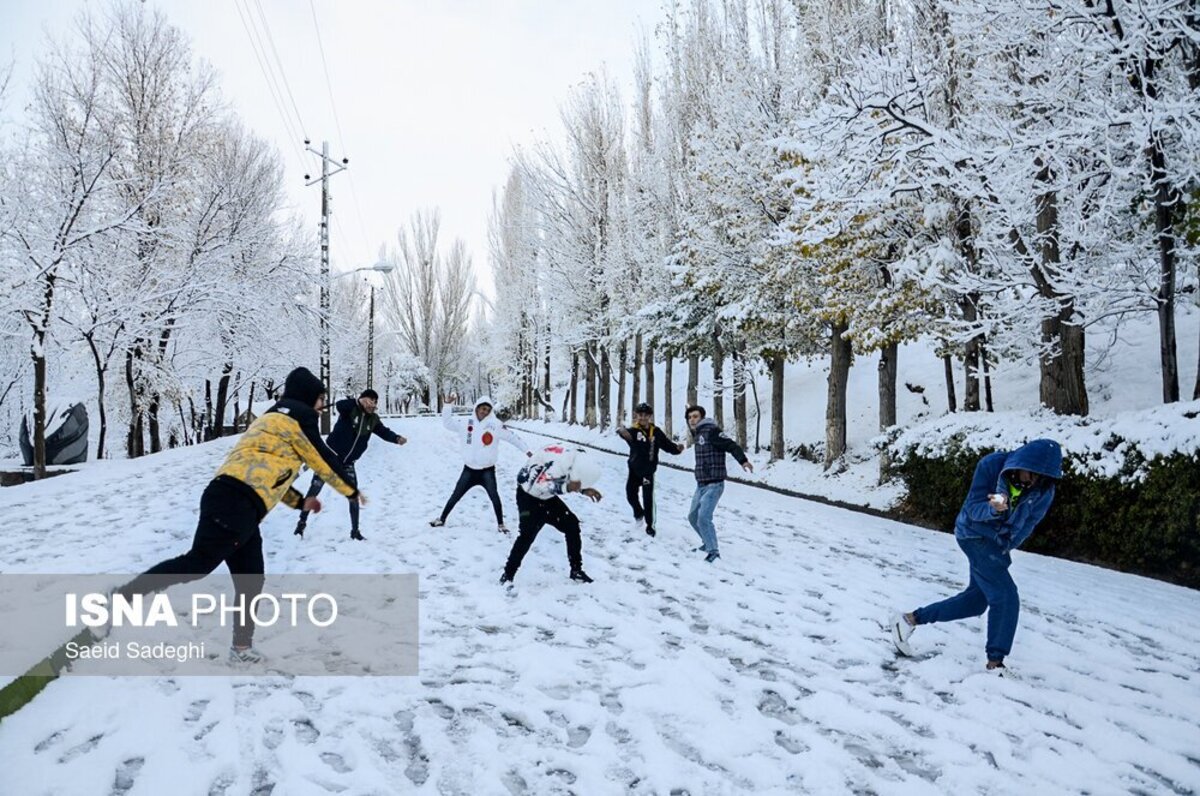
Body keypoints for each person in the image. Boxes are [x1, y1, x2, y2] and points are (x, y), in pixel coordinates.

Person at [120, 367, 365, 663]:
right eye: (320, 398)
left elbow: (267, 475)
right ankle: (125, 595)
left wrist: (300, 503)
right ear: (308, 397)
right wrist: (351, 491)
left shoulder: (269, 421)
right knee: (198, 563)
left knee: (251, 579)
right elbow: (324, 461)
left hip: (230, 497)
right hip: (237, 504)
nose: (321, 404)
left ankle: (241, 648)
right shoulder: (301, 421)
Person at [890, 439, 1063, 672]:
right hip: (972, 534)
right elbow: (972, 509)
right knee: (1006, 596)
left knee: (975, 602)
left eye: (1041, 477)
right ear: (1022, 463)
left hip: (997, 544)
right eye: (1031, 474)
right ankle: (995, 665)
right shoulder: (992, 466)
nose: (1032, 481)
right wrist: (993, 509)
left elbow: (1028, 524)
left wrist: (1006, 546)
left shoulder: (1044, 490)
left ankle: (909, 620)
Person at [294, 388, 405, 541]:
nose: (372, 404)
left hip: (348, 463)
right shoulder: (350, 409)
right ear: (363, 399)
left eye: (374, 401)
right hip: (330, 458)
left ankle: (355, 531)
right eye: (369, 400)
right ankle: (302, 522)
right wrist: (357, 402)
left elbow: (383, 431)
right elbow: (340, 405)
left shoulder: (372, 419)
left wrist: (396, 438)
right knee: (315, 488)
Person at [500, 444, 602, 585]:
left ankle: (576, 570)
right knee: (526, 536)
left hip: (547, 498)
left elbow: (570, 478)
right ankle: (508, 575)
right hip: (528, 496)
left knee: (572, 525)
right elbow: (539, 484)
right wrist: (567, 487)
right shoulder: (557, 464)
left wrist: (583, 490)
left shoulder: (573, 458)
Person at [429, 396, 531, 533]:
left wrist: (527, 451)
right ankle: (442, 519)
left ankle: (501, 525)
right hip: (469, 470)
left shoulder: (495, 424)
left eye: (488, 410)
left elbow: (512, 437)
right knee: (455, 495)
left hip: (487, 472)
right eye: (483, 408)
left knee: (494, 497)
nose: (485, 411)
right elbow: (447, 423)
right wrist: (447, 406)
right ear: (477, 407)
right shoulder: (466, 422)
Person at [685, 405, 753, 562]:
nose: (692, 420)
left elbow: (731, 445)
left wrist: (743, 461)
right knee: (693, 517)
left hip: (714, 484)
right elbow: (689, 422)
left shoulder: (712, 431)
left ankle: (714, 552)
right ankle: (707, 544)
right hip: (701, 484)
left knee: (703, 517)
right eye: (690, 417)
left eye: (695, 416)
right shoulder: (697, 433)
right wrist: (686, 411)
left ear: (702, 417)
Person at [616, 402, 683, 537]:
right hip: (634, 470)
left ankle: (650, 525)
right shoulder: (634, 431)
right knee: (630, 494)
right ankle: (638, 513)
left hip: (648, 471)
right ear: (636, 416)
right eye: (640, 415)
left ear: (650, 416)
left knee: (648, 499)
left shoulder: (656, 432)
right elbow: (626, 435)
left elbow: (667, 445)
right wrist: (621, 432)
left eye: (645, 415)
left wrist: (677, 449)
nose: (642, 418)